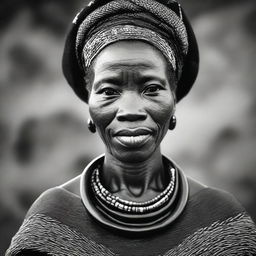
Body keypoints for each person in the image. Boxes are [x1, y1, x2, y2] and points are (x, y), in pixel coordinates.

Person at [6, 0, 256, 255]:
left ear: (174, 99)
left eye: (151, 89)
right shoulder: (54, 217)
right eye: (109, 91)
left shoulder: (219, 218)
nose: (130, 111)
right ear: (89, 102)